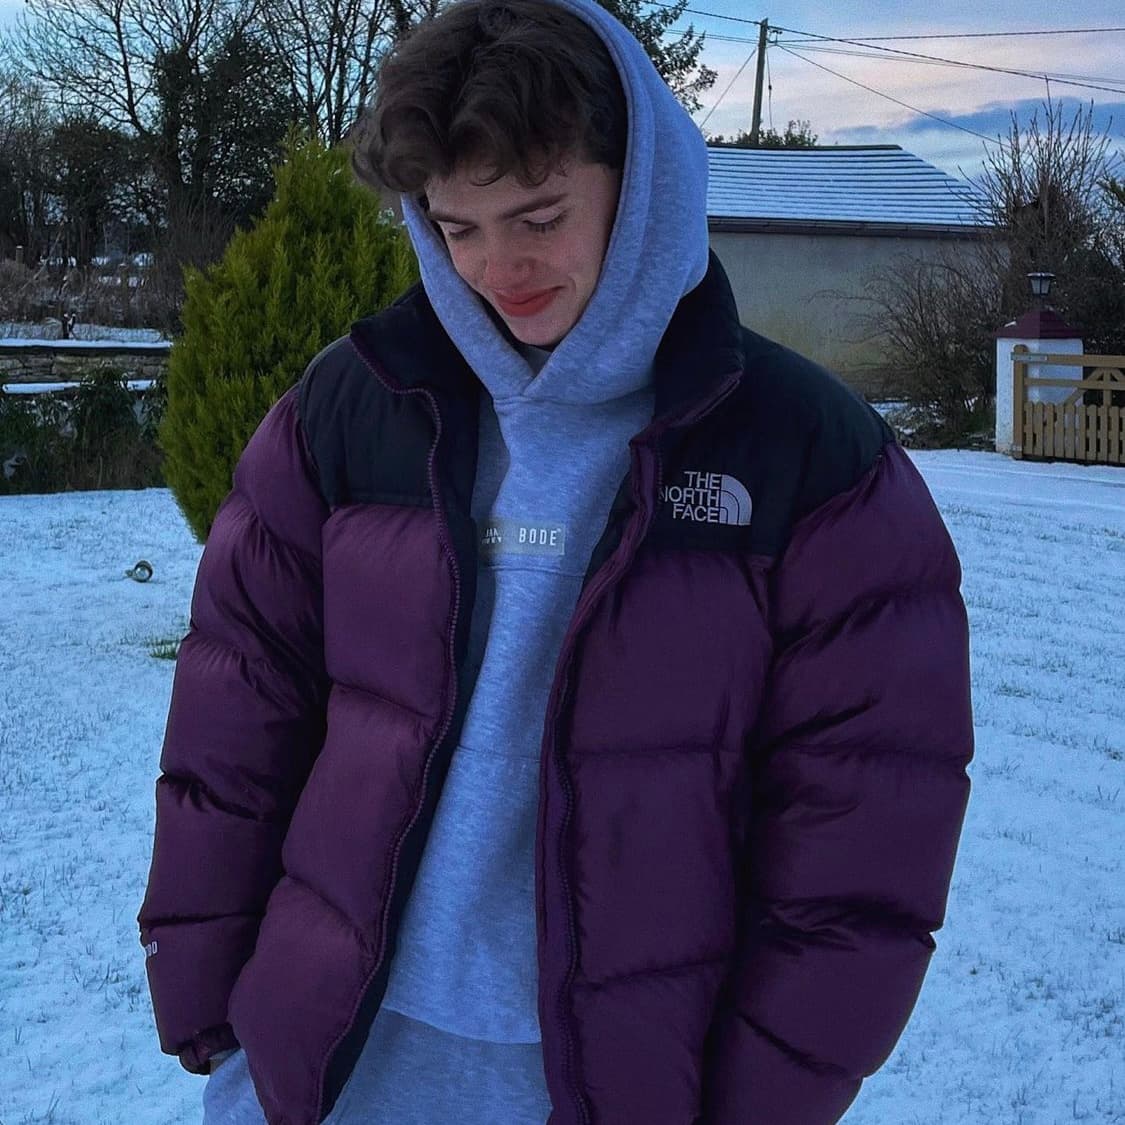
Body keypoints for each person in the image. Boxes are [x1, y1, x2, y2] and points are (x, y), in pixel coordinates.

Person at [138, 0, 974, 1122]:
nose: (498, 267)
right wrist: (211, 995)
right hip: (337, 1054)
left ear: (641, 185)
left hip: (621, 1076)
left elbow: (861, 846)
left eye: (538, 216)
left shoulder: (809, 456)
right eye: (456, 228)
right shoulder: (353, 405)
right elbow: (238, 716)